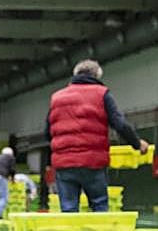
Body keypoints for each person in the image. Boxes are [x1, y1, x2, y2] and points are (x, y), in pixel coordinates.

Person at [45, 60, 150, 213]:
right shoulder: (102, 94)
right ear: (97, 76)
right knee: (99, 206)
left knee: (68, 210)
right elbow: (119, 124)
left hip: (64, 164)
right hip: (92, 163)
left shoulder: (57, 98)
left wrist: (63, 149)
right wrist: (137, 144)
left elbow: (47, 132)